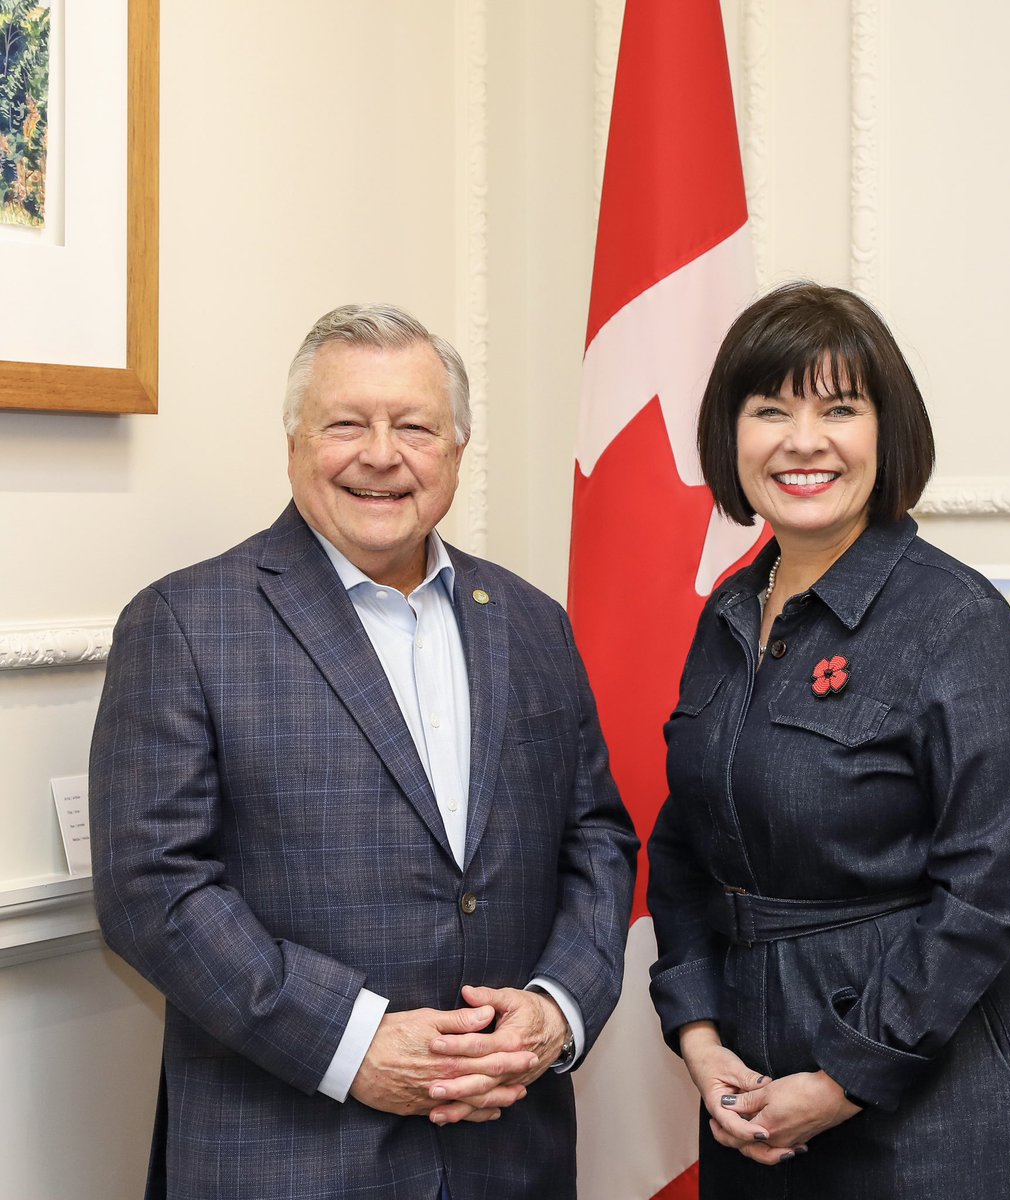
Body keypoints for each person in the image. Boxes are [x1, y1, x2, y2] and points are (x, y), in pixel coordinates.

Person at [90, 303, 638, 1200]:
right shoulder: (185, 624)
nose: (381, 454)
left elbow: (598, 843)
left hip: (510, 1152)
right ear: (296, 443)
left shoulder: (534, 623)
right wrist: (353, 1044)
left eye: (415, 426)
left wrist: (555, 1010)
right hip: (293, 1154)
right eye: (347, 423)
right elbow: (152, 887)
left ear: (457, 451)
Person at [647, 282, 1010, 1198]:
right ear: (731, 437)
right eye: (770, 409)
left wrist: (851, 1073)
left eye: (839, 409)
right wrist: (696, 1034)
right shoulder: (729, 613)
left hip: (943, 1105)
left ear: (887, 433)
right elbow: (686, 839)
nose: (802, 441)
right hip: (755, 1093)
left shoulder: (958, 621)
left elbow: (991, 891)